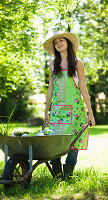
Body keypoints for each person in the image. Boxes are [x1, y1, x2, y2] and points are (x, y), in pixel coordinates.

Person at [43, 31, 95, 180]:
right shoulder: (53, 63)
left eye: (61, 40)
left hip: (75, 109)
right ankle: (57, 175)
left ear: (68, 43)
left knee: (73, 143)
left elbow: (83, 88)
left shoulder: (78, 63)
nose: (58, 43)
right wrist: (46, 111)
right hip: (57, 110)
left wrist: (90, 113)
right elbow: (50, 88)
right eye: (55, 42)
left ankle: (68, 175)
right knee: (54, 143)